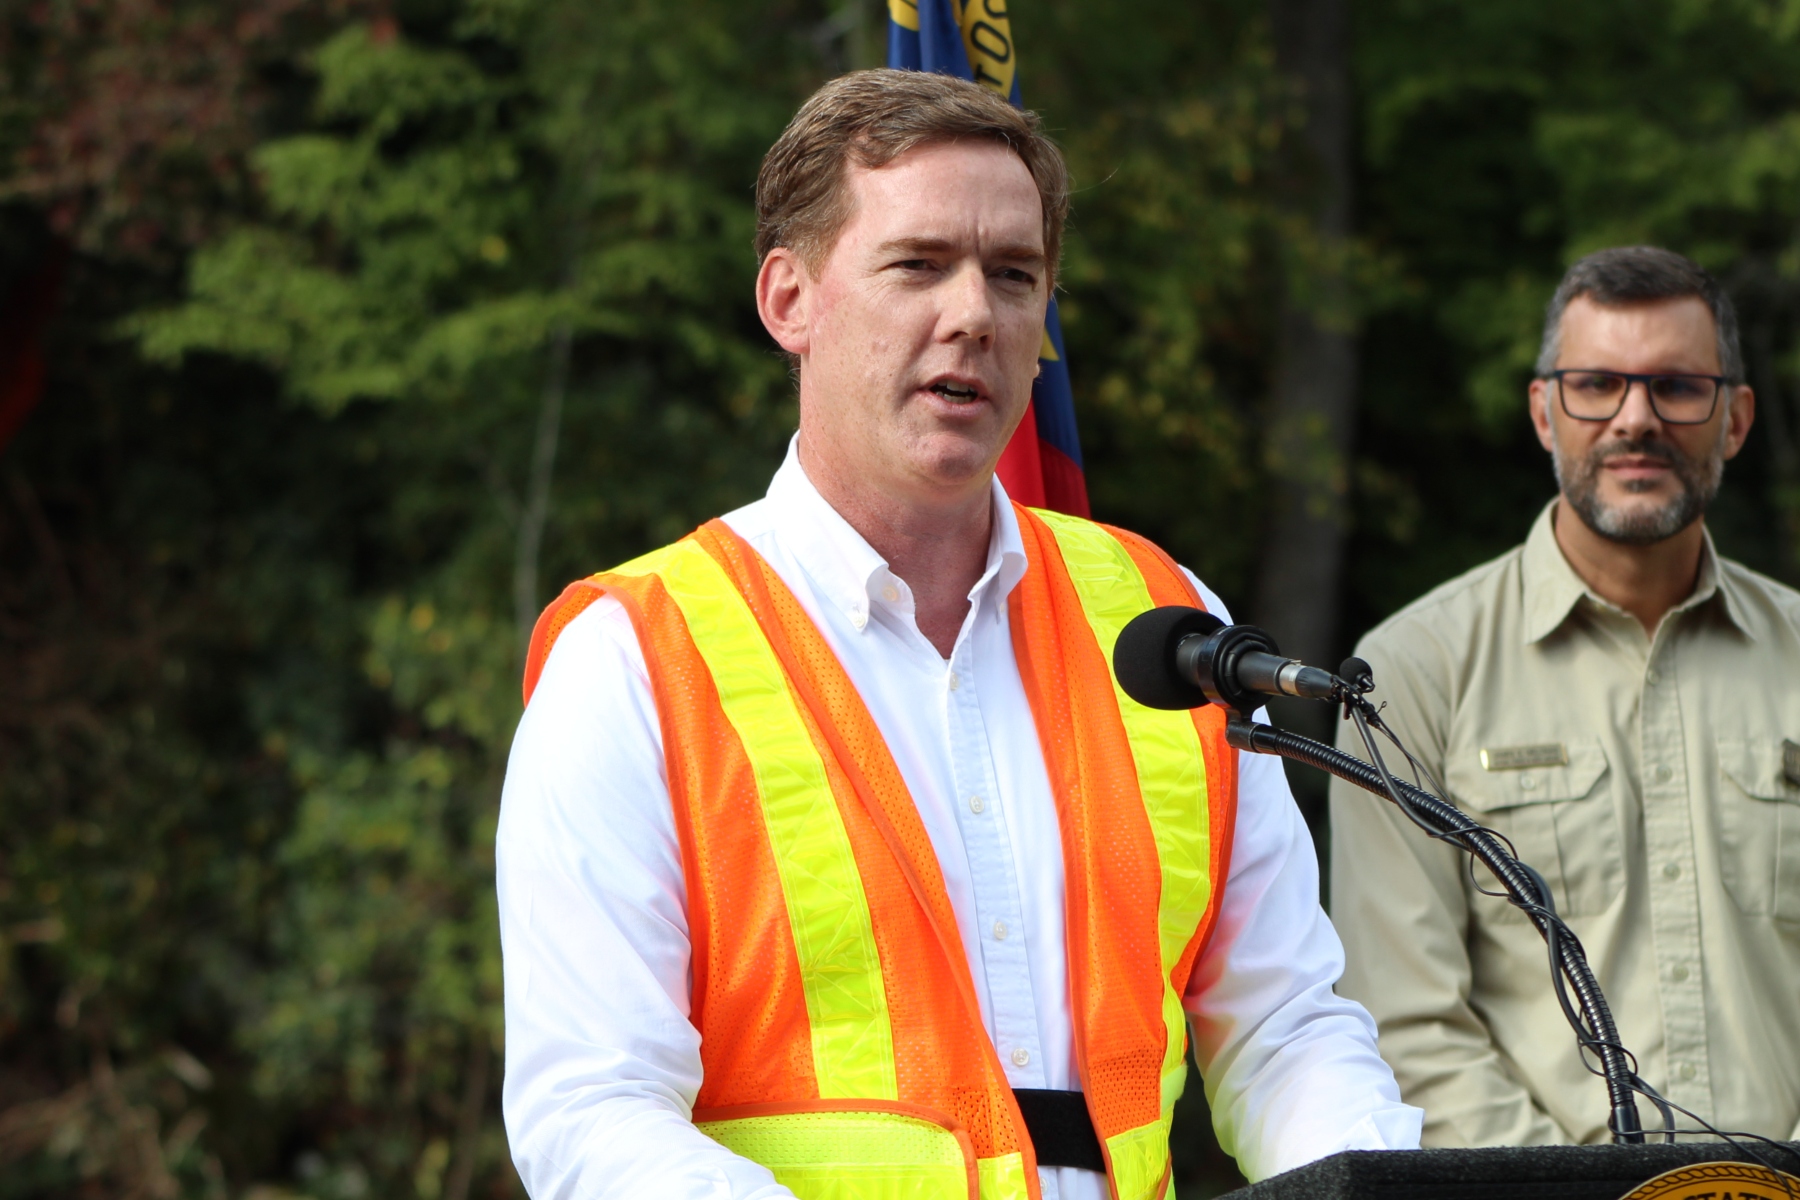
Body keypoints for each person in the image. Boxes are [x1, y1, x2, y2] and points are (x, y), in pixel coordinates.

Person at [497, 68, 1420, 1199]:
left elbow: (1283, 1026)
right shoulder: (636, 657)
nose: (975, 313)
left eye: (1015, 274)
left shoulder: (1164, 617)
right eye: (919, 264)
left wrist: (1374, 1187)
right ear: (789, 300)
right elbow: (590, 1109)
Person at [1330, 245, 1800, 1148]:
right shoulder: (1412, 675)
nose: (1637, 418)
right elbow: (1407, 1022)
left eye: (1678, 387)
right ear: (1545, 412)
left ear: (1736, 419)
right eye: (1597, 385)